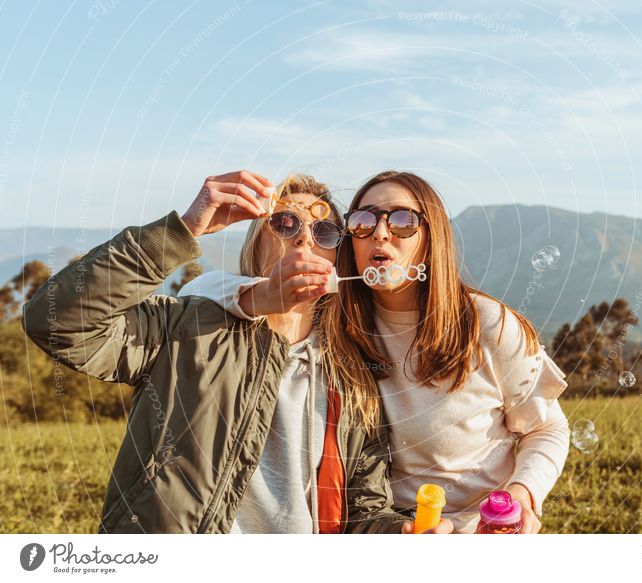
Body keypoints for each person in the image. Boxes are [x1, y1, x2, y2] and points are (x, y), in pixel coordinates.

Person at [23, 170, 448, 534]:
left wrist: (399, 532)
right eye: (284, 222)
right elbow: (56, 322)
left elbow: (362, 510)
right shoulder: (187, 330)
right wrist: (182, 230)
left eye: (324, 231)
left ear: (336, 256)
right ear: (257, 244)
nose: (304, 237)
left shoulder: (354, 374)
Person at [188, 170, 571, 534]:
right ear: (348, 245)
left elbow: (547, 427)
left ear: (431, 238)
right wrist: (258, 295)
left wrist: (521, 495)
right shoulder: (337, 331)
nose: (381, 232)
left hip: (480, 530)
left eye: (403, 220)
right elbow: (200, 295)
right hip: (388, 531)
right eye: (363, 222)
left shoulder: (485, 324)